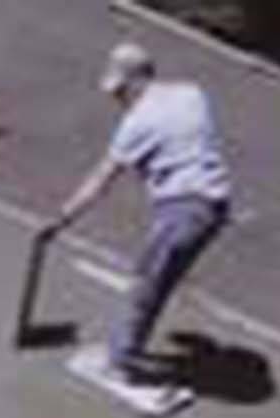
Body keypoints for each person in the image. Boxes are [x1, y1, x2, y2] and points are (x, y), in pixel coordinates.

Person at [42, 43, 235, 384]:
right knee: (158, 282)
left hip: (183, 208)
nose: (117, 99)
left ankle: (118, 362)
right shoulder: (191, 94)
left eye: (119, 91)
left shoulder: (139, 122)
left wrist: (61, 218)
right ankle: (126, 351)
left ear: (135, 80)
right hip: (215, 206)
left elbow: (101, 179)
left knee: (146, 284)